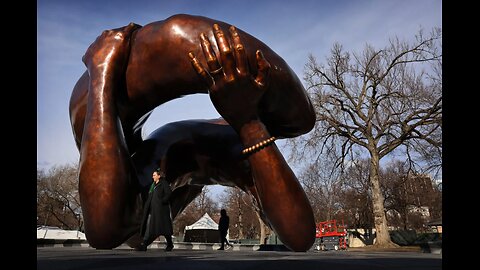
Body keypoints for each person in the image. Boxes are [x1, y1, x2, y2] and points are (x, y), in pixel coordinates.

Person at [69, 14, 317, 252]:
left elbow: (300, 237)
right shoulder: (250, 164)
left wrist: (101, 73)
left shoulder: (243, 168)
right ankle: (107, 84)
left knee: (118, 227)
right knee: (302, 121)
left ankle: (102, 73)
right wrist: (248, 122)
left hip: (174, 152)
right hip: (175, 151)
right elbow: (299, 235)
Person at [136, 168, 174, 251]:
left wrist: (162, 201)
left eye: (154, 175)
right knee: (149, 227)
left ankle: (170, 244)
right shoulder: (153, 185)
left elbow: (169, 193)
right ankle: (144, 245)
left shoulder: (163, 183)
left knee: (164, 229)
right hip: (152, 210)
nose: (152, 177)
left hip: (161, 211)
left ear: (159, 176)